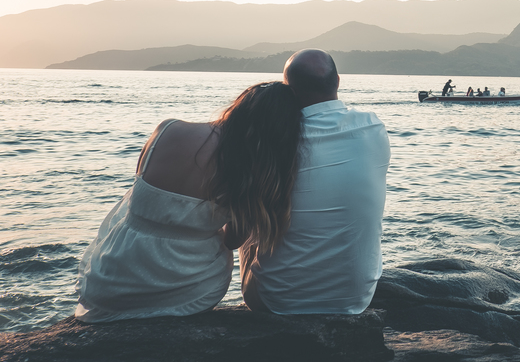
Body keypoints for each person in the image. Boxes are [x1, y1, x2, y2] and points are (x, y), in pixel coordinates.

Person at [75, 81, 301, 322]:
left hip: (110, 280)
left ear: (239, 106)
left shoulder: (167, 128)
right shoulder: (249, 172)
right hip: (187, 288)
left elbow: (140, 183)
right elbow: (233, 241)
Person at [240, 49, 390, 314]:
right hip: (355, 299)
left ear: (289, 92)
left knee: (252, 221)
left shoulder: (277, 142)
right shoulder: (373, 127)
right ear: (338, 81)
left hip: (276, 301)